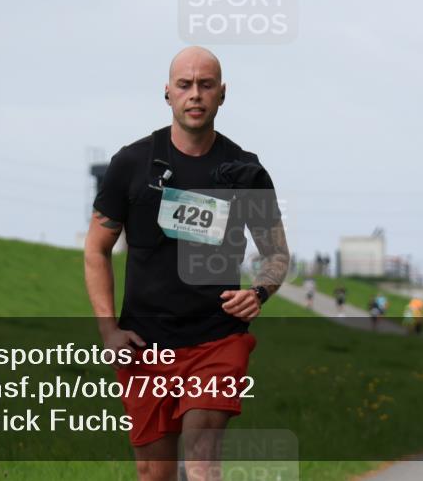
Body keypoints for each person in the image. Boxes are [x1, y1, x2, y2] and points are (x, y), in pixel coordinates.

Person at [83, 47, 290, 480]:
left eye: (205, 85)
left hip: (217, 340)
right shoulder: (132, 164)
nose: (195, 94)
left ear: (222, 94)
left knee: (201, 462)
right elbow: (96, 249)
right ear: (168, 93)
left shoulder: (246, 171)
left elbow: (275, 253)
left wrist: (259, 292)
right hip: (145, 344)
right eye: (185, 85)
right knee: (153, 474)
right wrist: (107, 329)